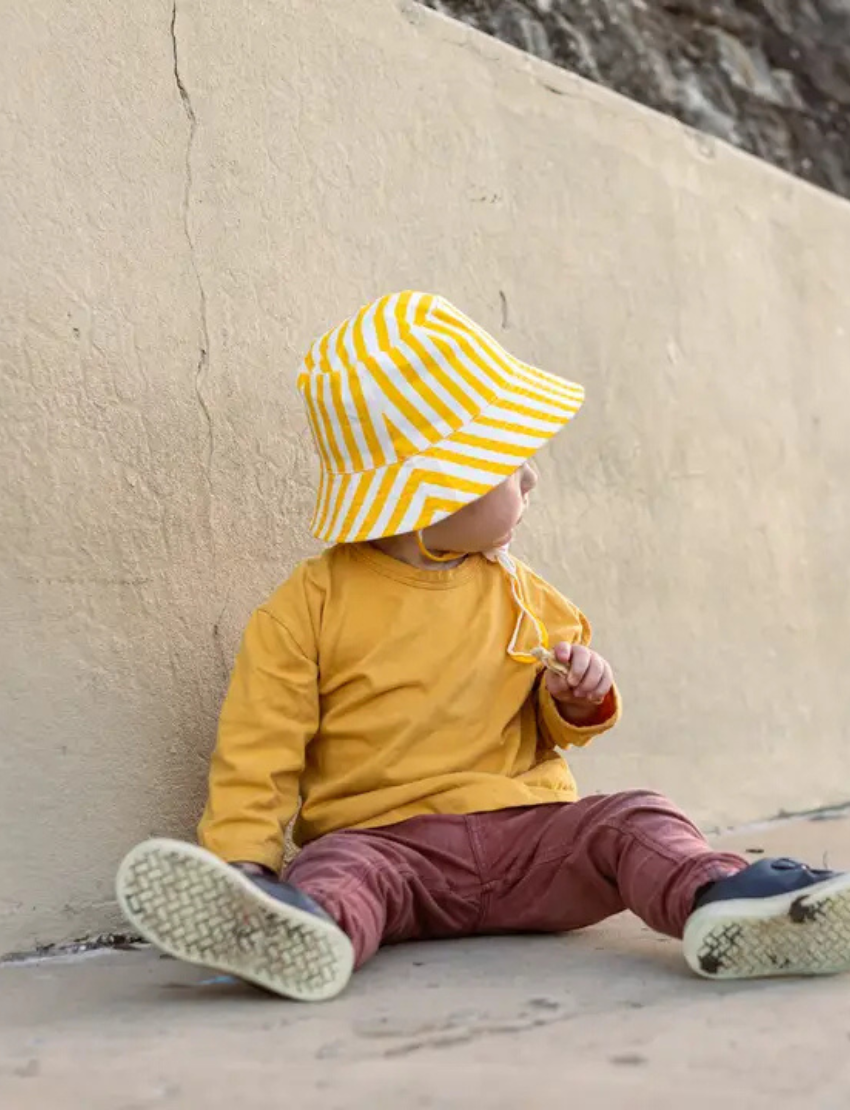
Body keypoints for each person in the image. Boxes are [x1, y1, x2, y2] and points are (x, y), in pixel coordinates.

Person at [116, 292, 850, 1001]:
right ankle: (287, 929)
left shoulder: (524, 591)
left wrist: (579, 696)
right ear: (432, 491)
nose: (530, 476)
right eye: (507, 461)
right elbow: (259, 746)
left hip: (531, 841)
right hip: (389, 849)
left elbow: (559, 721)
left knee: (635, 818)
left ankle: (721, 898)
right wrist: (244, 860)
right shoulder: (307, 607)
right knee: (337, 872)